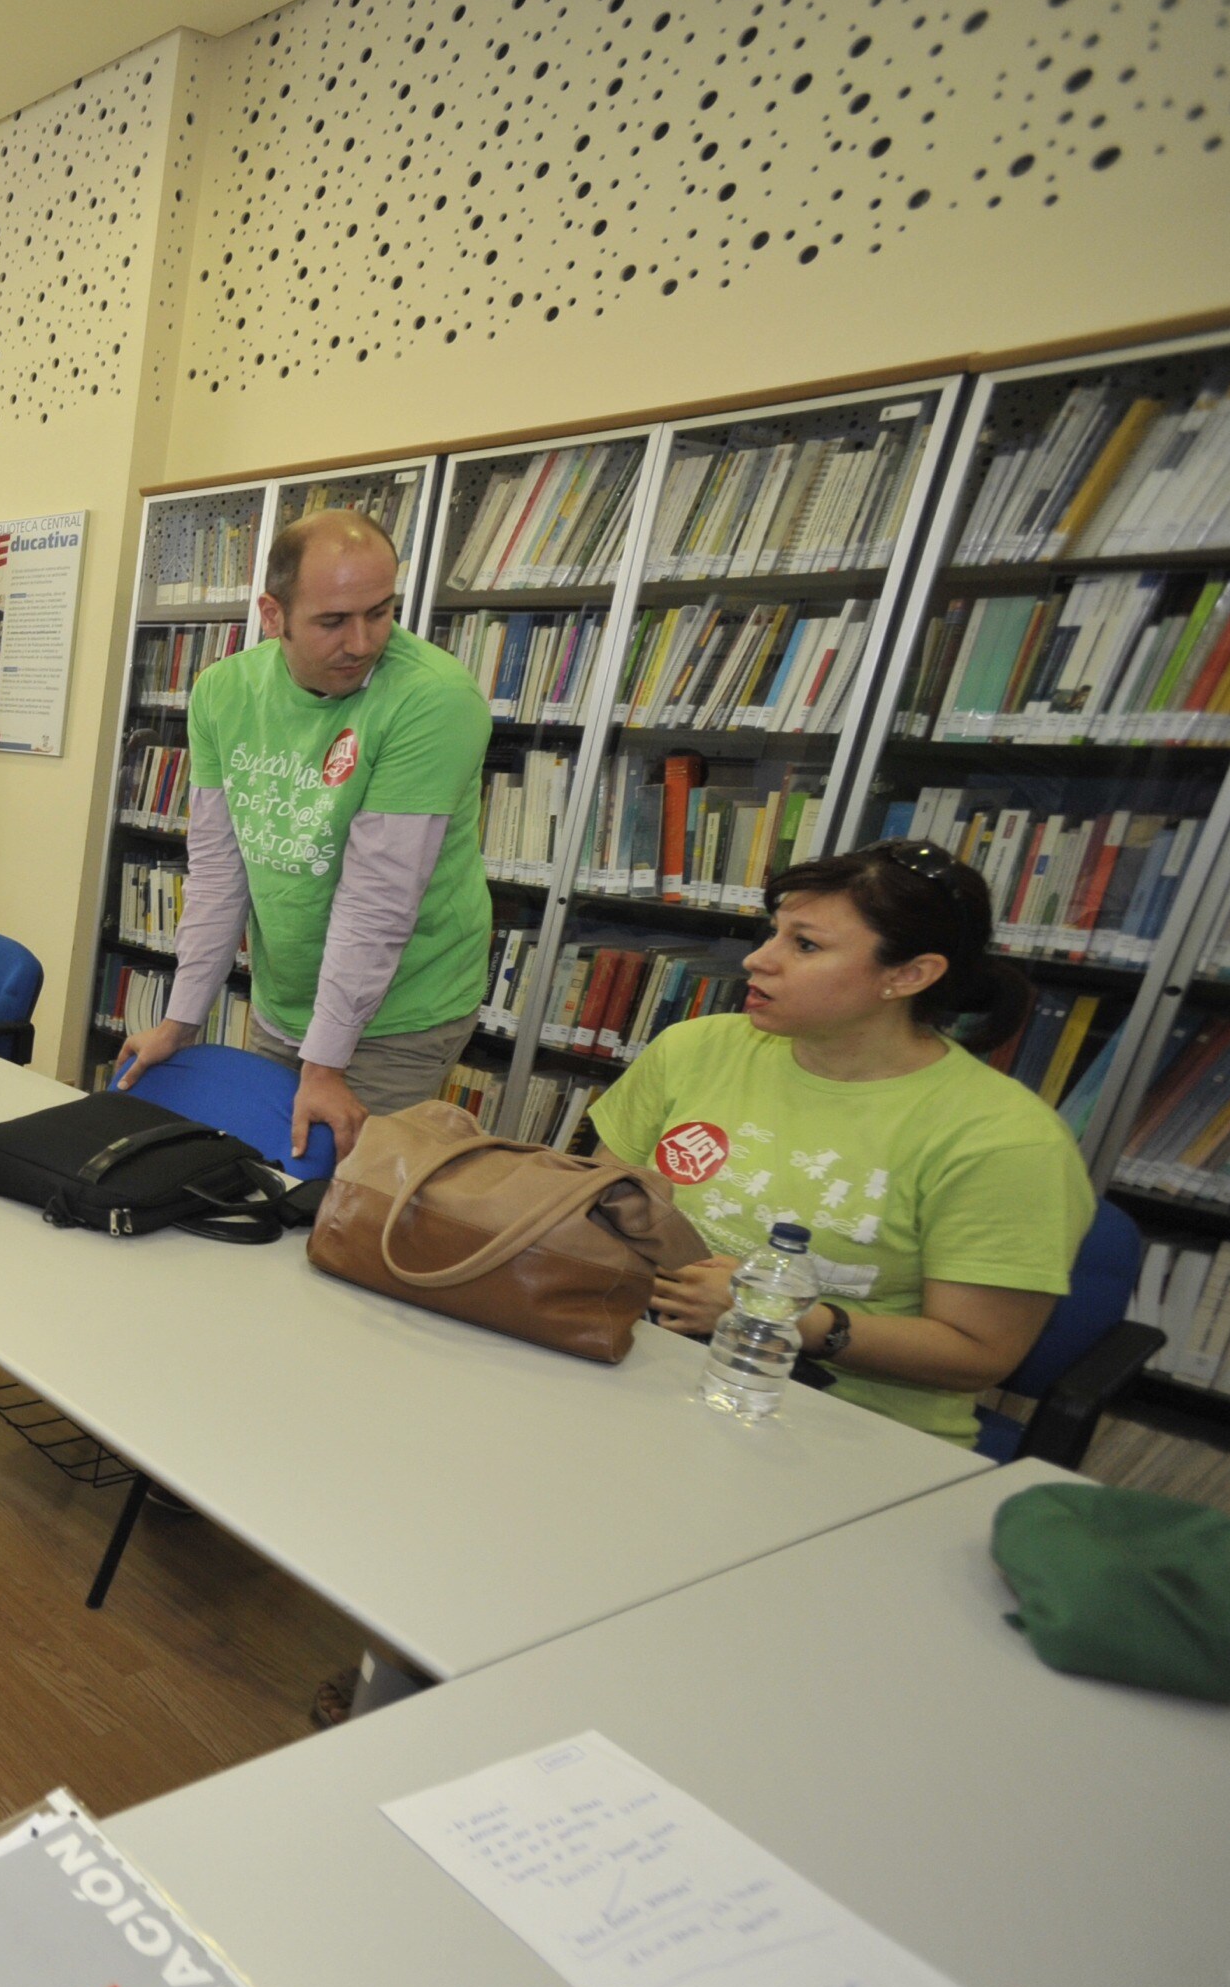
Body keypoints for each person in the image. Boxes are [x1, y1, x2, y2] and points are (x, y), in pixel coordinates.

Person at [592, 841, 1095, 1449]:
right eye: (772, 933)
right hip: (635, 1359)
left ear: (909, 975)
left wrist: (785, 1318)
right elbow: (599, 1203)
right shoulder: (694, 1049)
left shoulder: (1005, 1140)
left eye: (804, 945)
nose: (758, 961)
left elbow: (979, 1354)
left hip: (838, 1428)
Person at [113, 509, 491, 1162]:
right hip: (284, 999)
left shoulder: (434, 699)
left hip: (402, 1012)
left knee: (345, 1206)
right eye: (333, 620)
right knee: (265, 1174)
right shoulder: (224, 692)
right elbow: (217, 871)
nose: (363, 640)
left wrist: (324, 1065)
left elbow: (379, 898)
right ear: (273, 613)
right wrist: (180, 1019)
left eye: (380, 611)